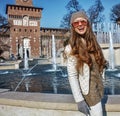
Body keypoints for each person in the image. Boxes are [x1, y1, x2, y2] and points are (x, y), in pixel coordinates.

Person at [64, 11, 107, 116]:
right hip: (89, 93)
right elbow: (72, 75)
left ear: (87, 23)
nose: (80, 25)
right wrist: (79, 100)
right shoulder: (71, 48)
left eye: (82, 21)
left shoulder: (93, 42)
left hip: (99, 88)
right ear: (73, 27)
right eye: (76, 23)